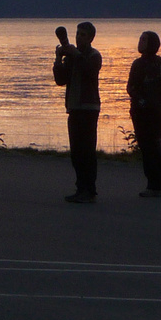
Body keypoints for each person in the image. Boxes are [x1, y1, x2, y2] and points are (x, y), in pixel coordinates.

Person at [54, 21, 102, 203]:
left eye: (83, 34)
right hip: (74, 107)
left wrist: (75, 54)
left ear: (90, 38)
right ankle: (80, 187)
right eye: (78, 33)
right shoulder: (73, 57)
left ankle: (89, 189)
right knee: (76, 152)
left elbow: (89, 70)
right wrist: (59, 59)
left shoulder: (94, 55)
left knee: (87, 151)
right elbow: (60, 80)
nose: (79, 37)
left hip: (89, 108)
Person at [127, 30, 161, 197]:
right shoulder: (137, 64)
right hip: (141, 112)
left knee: (152, 146)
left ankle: (158, 184)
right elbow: (130, 87)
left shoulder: (160, 65)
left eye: (144, 39)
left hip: (154, 112)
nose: (140, 42)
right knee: (148, 146)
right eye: (140, 38)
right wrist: (139, 99)